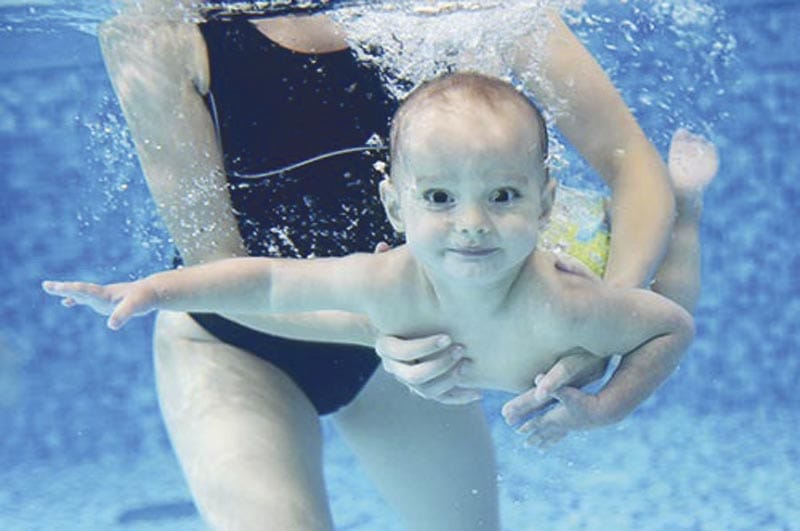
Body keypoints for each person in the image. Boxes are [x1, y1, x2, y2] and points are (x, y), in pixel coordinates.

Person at [92, 2, 682, 529]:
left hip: (418, 336)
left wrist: (603, 323)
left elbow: (633, 168)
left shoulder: (477, 8)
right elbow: (220, 271)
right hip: (239, 346)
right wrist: (375, 328)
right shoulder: (160, 27)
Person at [44, 71, 715, 454]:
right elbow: (269, 278)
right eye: (440, 197)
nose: (472, 223)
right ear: (395, 206)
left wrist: (607, 405)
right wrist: (153, 288)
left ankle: (689, 203)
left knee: (673, 285)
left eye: (502, 196)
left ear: (541, 202)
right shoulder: (387, 276)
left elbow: (672, 327)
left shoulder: (572, 303)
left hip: (578, 250)